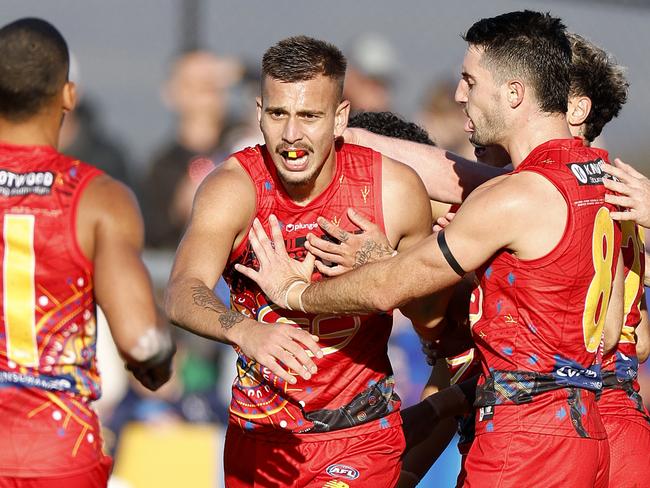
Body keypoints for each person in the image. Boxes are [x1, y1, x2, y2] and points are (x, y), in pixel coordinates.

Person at [237, 11, 626, 487]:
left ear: (514, 94)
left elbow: (388, 287)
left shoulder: (516, 196)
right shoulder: (594, 178)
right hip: (587, 428)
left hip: (525, 438)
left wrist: (296, 293)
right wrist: (354, 138)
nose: (460, 93)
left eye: (470, 80)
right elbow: (612, 334)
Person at [164, 36, 435, 487]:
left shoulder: (392, 190)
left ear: (340, 118)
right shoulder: (234, 188)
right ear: (259, 113)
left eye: (309, 116)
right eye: (278, 114)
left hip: (358, 437)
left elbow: (436, 323)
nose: (291, 135)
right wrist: (245, 330)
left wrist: (386, 265)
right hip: (262, 439)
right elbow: (180, 291)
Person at [0, 18, 175, 487]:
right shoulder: (99, 197)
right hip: (58, 452)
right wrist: (159, 365)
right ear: (68, 95)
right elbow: (141, 340)